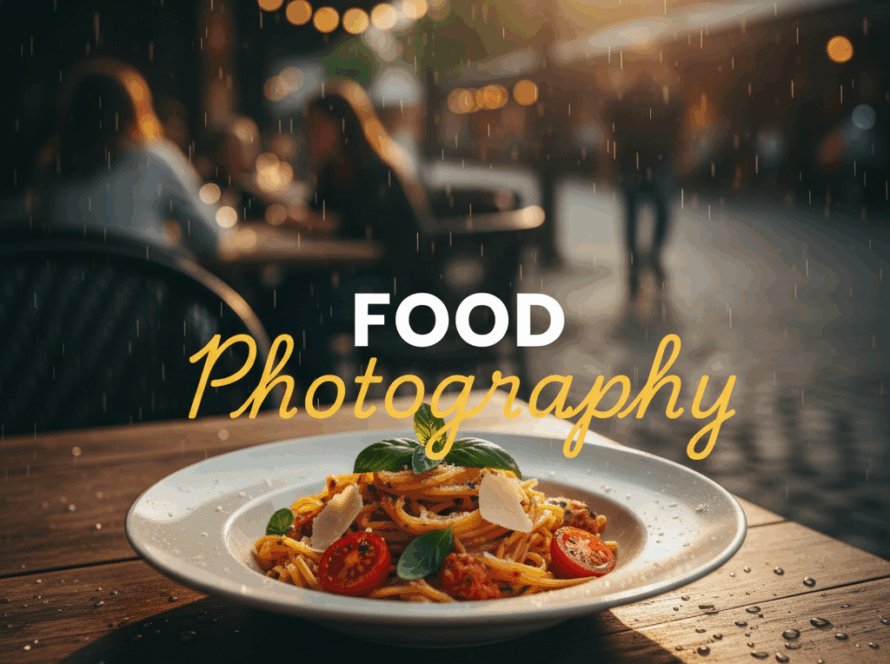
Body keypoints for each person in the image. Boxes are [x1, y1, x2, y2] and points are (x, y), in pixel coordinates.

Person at [35, 59, 224, 257]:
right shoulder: (155, 157)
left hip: (73, 286)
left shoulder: (51, 167)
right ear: (134, 111)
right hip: (145, 284)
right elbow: (210, 239)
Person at [604, 64, 683, 297]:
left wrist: (609, 163)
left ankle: (635, 265)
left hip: (631, 166)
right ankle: (652, 256)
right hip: (658, 163)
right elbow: (678, 124)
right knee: (662, 213)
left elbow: (612, 130)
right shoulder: (665, 97)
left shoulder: (623, 98)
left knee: (632, 218)